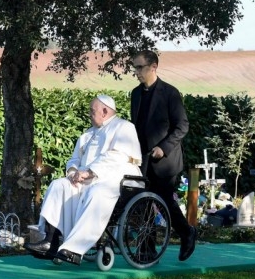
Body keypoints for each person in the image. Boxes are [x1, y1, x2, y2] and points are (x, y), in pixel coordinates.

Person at [24, 94, 142, 265]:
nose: (88, 114)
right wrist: (73, 172)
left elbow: (117, 156)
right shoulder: (89, 134)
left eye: (91, 110)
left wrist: (89, 172)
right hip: (86, 179)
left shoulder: (124, 127)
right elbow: (74, 159)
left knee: (97, 192)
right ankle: (51, 240)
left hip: (116, 178)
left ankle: (75, 249)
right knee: (59, 185)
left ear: (104, 111)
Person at [130, 50, 197, 262]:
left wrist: (164, 148)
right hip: (142, 160)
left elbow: (182, 126)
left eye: (140, 67)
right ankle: (147, 250)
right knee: (142, 203)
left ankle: (187, 233)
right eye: (135, 68)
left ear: (153, 67)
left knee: (164, 201)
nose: (137, 72)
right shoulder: (136, 94)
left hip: (165, 162)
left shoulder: (170, 93)